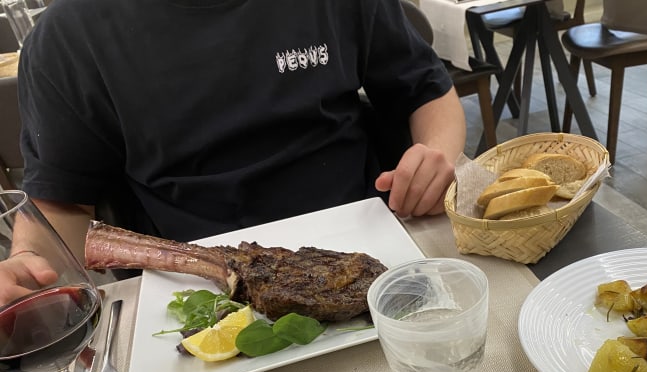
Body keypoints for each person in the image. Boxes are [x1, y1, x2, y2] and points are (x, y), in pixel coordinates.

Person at [16, 0, 466, 261]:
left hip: (372, 239)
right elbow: (61, 201)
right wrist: (28, 269)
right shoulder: (69, 36)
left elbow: (424, 88)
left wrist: (436, 152)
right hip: (198, 279)